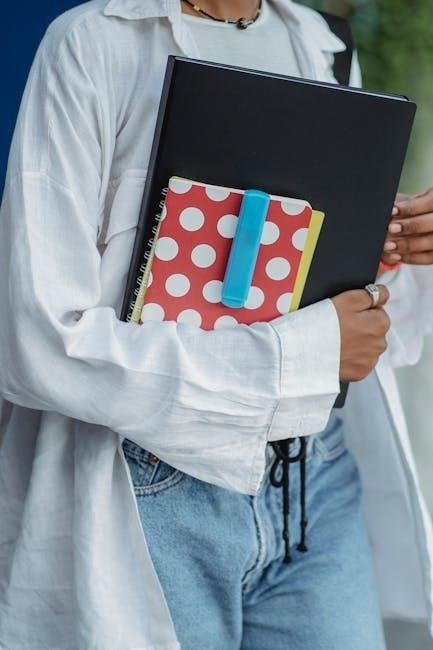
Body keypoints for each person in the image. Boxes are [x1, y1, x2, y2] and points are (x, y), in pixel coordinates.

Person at [0, 0, 433, 647]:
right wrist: (307, 355)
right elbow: (39, 341)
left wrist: (390, 242)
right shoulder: (94, 43)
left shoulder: (322, 43)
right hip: (154, 485)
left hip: (315, 476)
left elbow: (300, 270)